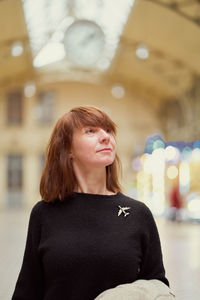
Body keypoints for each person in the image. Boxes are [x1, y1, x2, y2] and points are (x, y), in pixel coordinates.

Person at [12, 106, 173, 300]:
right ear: (68, 149)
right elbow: (28, 290)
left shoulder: (139, 214)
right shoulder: (44, 213)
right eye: (91, 131)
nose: (106, 137)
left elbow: (157, 287)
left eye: (108, 130)